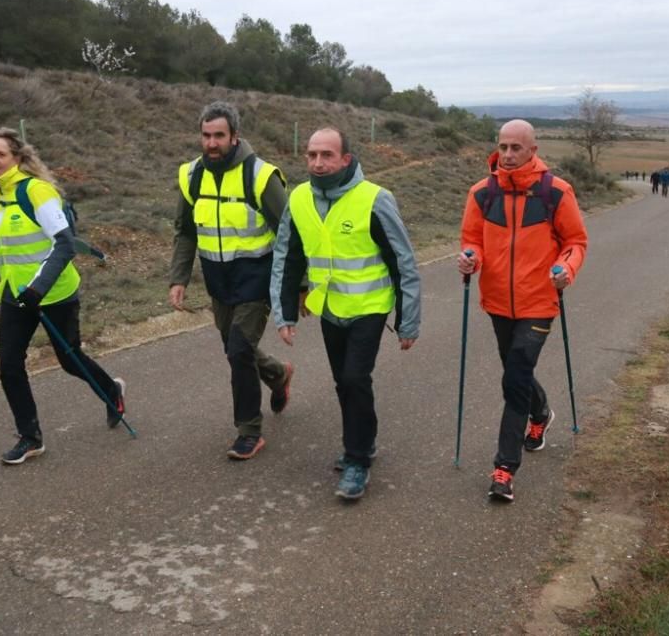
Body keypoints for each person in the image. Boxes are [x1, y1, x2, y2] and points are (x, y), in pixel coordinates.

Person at [0, 128, 126, 465]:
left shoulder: (37, 192)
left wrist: (38, 287)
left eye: (0, 154)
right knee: (9, 366)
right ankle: (30, 437)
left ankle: (111, 390)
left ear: (17, 158)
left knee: (70, 360)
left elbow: (64, 245)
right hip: (15, 293)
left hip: (54, 293)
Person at [271, 127, 421, 500]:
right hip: (329, 308)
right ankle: (363, 442)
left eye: (327, 155)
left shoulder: (375, 199)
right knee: (344, 382)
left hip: (370, 307)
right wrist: (285, 313)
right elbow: (287, 258)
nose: (318, 163)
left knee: (355, 378)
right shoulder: (298, 198)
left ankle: (357, 460)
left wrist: (408, 320)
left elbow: (402, 261)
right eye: (312, 155)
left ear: (345, 160)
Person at [457, 120, 588, 501]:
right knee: (516, 370)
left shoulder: (555, 192)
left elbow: (576, 241)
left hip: (539, 301)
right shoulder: (482, 193)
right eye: (503, 147)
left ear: (533, 150)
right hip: (497, 301)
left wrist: (566, 269)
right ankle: (541, 413)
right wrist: (470, 258)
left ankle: (504, 469)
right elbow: (472, 240)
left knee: (515, 377)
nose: (508, 155)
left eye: (516, 147)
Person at [168, 101, 292, 460]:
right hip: (218, 281)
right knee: (236, 349)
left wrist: (296, 285)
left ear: (234, 136)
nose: (211, 143)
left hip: (257, 279)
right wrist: (179, 277)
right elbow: (186, 231)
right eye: (206, 135)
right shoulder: (192, 176)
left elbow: (289, 234)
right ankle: (278, 374)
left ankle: (249, 431)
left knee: (239, 350)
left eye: (219, 135)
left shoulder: (260, 176)